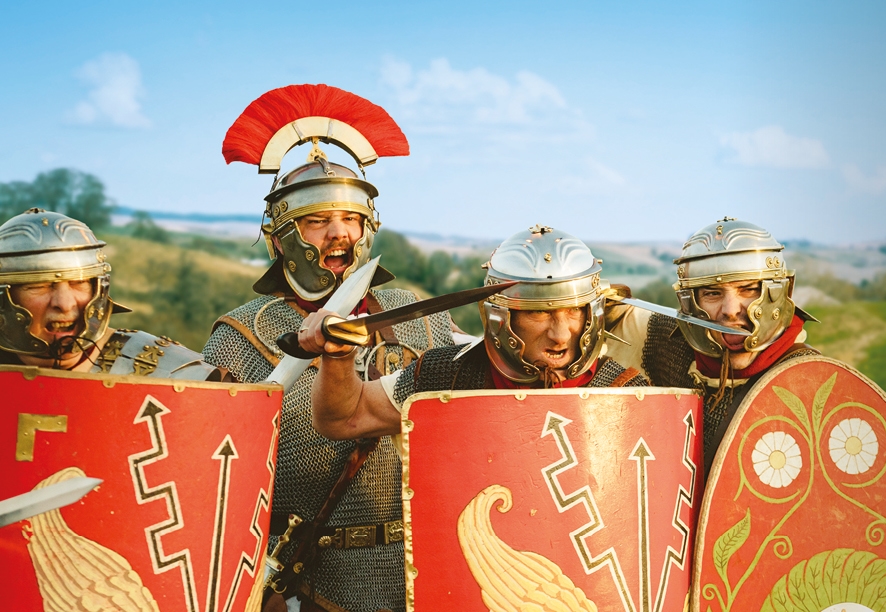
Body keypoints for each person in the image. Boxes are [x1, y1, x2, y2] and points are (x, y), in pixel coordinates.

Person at [201, 84, 455, 612]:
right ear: (280, 237)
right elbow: (224, 477)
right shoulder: (242, 336)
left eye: (352, 220)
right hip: (313, 582)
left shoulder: (420, 316)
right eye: (318, 222)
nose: (339, 235)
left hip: (429, 570)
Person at [305, 225, 648, 440]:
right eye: (539, 313)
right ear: (500, 316)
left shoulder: (628, 394)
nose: (561, 334)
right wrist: (338, 356)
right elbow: (344, 418)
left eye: (573, 311)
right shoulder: (446, 377)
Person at [608, 217, 820, 468]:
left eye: (749, 289)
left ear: (781, 292)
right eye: (712, 293)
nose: (730, 311)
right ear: (689, 303)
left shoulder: (810, 380)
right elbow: (603, 324)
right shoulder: (666, 344)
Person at [0, 208, 222, 380]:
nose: (65, 304)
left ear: (99, 289)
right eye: (40, 286)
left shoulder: (171, 373)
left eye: (80, 284)